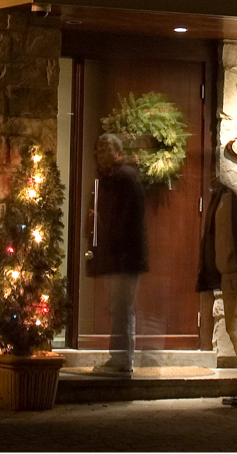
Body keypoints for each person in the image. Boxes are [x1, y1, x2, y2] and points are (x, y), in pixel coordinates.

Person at [87, 132, 147, 375]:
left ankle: (122, 360)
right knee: (119, 307)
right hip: (121, 258)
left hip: (125, 258)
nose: (100, 156)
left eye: (104, 151)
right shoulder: (114, 179)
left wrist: (102, 223)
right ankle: (120, 358)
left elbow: (124, 222)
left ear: (115, 153)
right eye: (98, 151)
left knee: (122, 308)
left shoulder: (124, 179)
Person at [197, 179, 237, 402]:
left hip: (231, 274)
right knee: (235, 329)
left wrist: (232, 255)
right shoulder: (219, 200)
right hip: (226, 274)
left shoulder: (229, 200)